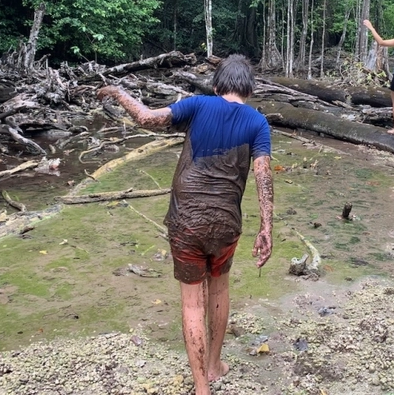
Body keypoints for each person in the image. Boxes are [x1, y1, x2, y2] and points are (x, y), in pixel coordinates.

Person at [97, 55, 274, 395]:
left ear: (218, 85)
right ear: (248, 90)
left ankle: (201, 388)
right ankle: (214, 366)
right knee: (219, 288)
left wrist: (120, 93)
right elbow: (263, 174)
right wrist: (267, 227)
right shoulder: (258, 123)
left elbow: (147, 118)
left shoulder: (196, 105)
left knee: (193, 303)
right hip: (226, 224)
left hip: (185, 224)